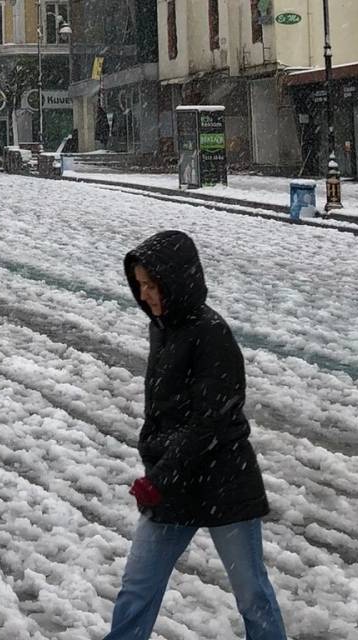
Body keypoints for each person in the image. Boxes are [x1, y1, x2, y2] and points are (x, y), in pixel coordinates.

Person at [108, 230, 287, 640]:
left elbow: (211, 423)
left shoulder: (211, 334)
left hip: (223, 482)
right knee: (137, 589)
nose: (145, 294)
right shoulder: (164, 326)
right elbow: (165, 413)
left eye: (152, 285)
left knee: (252, 596)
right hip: (174, 484)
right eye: (140, 285)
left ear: (176, 281)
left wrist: (160, 477)